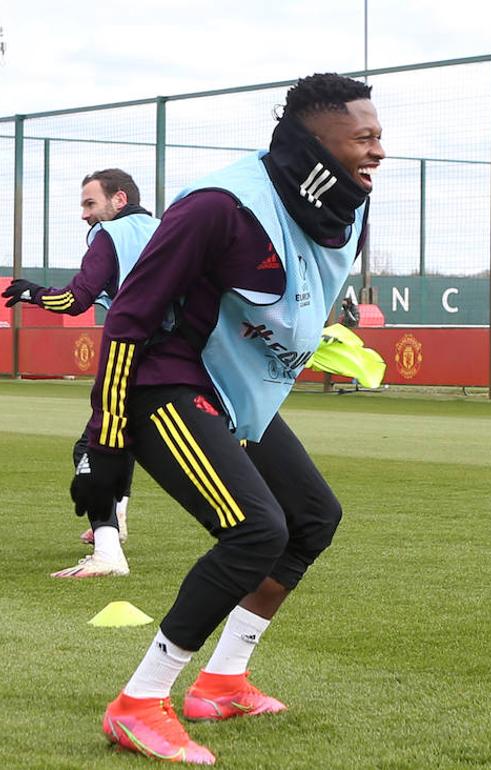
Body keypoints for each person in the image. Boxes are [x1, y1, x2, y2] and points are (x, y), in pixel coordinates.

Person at [70, 73, 383, 764]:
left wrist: (322, 337)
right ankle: (138, 703)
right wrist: (109, 435)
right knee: (253, 530)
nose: (377, 151)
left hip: (233, 391)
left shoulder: (349, 207)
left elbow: (292, 292)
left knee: (311, 520)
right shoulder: (218, 204)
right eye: (362, 137)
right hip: (162, 380)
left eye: (379, 136)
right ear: (312, 143)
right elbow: (129, 317)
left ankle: (222, 682)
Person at [3, 168, 159, 578]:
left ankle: (107, 551)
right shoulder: (166, 228)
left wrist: (31, 292)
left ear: (119, 200)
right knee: (121, 440)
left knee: (92, 449)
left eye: (90, 204)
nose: (85, 215)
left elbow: (75, 299)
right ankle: (118, 513)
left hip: (134, 354)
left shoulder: (111, 236)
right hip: (183, 358)